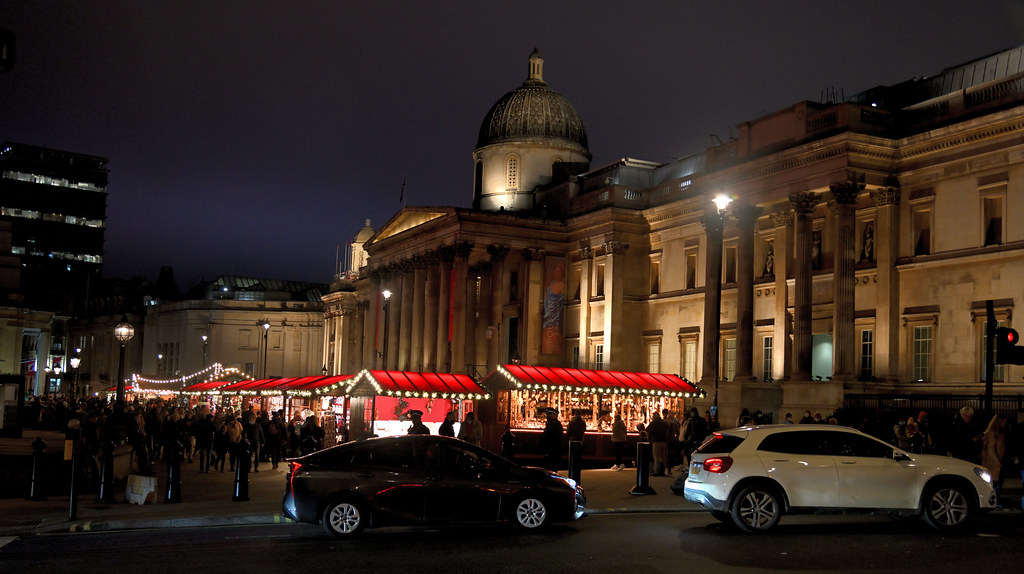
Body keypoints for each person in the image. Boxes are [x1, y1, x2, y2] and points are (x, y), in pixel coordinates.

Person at [981, 413, 1007, 500]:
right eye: (1003, 422)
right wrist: (996, 461)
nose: (1004, 424)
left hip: (999, 460)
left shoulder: (1000, 433)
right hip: (992, 462)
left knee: (998, 481)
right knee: (994, 482)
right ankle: (991, 500)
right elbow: (990, 449)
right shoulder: (992, 433)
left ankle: (994, 499)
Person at [647, 411, 669, 476]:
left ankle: (657, 470)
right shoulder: (664, 422)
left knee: (656, 456)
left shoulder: (653, 423)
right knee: (663, 456)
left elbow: (649, 430)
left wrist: (649, 439)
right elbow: (668, 430)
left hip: (656, 441)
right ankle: (663, 470)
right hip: (664, 441)